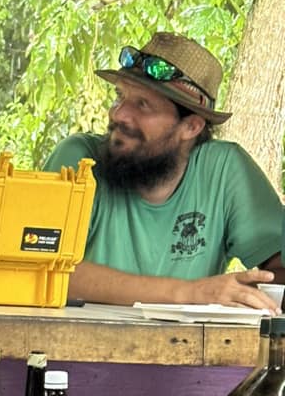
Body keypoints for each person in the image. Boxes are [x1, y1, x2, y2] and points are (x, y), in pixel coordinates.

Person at [44, 31, 285, 309]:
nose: (118, 113)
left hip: (187, 350)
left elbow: (278, 270)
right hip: (76, 348)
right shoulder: (79, 159)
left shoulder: (224, 170)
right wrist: (191, 293)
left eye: (143, 105)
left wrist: (237, 293)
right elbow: (42, 267)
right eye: (120, 96)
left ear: (191, 127)